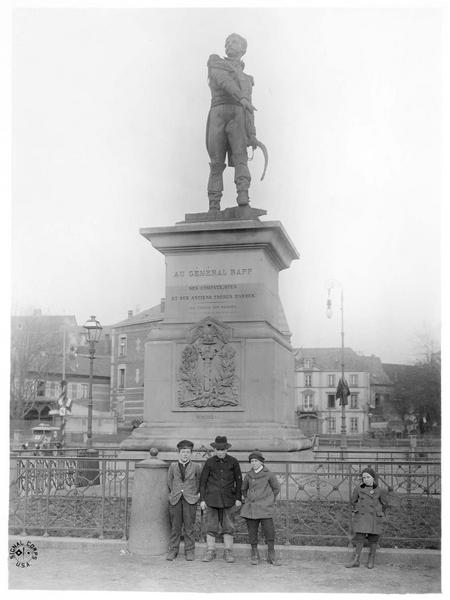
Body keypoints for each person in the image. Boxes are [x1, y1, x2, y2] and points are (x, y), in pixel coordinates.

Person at [206, 33, 258, 211]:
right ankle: (214, 202)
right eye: (227, 42)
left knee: (241, 157)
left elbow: (249, 107)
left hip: (238, 116)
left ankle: (243, 194)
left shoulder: (247, 79)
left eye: (234, 42)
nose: (229, 44)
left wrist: (252, 134)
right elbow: (224, 81)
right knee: (216, 162)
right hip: (218, 113)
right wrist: (242, 98)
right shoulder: (216, 62)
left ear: (243, 49)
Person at [199, 435, 242, 563]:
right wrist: (202, 499)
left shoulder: (233, 462)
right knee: (211, 526)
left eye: (223, 450)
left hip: (228, 499)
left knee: (228, 526)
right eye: (218, 450)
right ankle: (210, 551)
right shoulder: (210, 462)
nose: (220, 452)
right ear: (214, 450)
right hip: (211, 500)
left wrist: (238, 498)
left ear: (226, 450)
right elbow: (203, 482)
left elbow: (239, 481)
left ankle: (228, 551)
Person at [240, 450, 281, 566]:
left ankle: (271, 554)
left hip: (265, 508)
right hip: (251, 508)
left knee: (269, 531)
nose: (254, 463)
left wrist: (269, 500)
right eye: (252, 461)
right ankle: (255, 554)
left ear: (261, 462)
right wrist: (248, 499)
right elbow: (243, 489)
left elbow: (276, 488)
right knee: (252, 531)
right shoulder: (248, 475)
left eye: (256, 461)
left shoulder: (269, 474)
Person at [345, 467, 389, 569]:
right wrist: (359, 509)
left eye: (368, 477)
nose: (366, 479)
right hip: (362, 516)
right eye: (364, 477)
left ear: (373, 478)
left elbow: (385, 504)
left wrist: (377, 511)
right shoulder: (358, 489)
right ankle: (356, 560)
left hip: (374, 517)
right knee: (359, 537)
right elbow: (353, 501)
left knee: (373, 538)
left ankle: (371, 559)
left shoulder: (380, 490)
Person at [166, 439, 202, 561]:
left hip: (190, 499)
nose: (185, 454)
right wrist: (174, 492)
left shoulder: (196, 466)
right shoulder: (173, 466)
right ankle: (173, 550)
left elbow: (199, 482)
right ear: (179, 453)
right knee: (175, 526)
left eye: (187, 452)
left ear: (191, 453)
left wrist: (195, 494)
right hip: (175, 499)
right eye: (183, 452)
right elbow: (169, 481)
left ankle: (189, 551)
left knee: (189, 527)